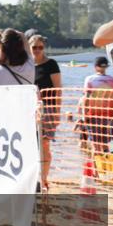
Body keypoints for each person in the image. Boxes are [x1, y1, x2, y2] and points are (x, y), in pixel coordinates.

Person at [30, 34, 62, 190]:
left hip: (47, 110)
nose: (37, 50)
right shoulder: (26, 65)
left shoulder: (51, 64)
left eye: (40, 47)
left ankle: (43, 179)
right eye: (34, 47)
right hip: (29, 110)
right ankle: (32, 178)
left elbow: (58, 90)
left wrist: (57, 113)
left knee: (44, 145)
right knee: (30, 146)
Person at [79, 56, 113, 157]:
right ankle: (105, 168)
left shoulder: (90, 79)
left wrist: (84, 115)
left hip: (93, 116)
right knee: (105, 144)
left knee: (95, 146)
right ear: (106, 67)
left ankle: (96, 172)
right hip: (109, 116)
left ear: (95, 67)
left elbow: (86, 98)